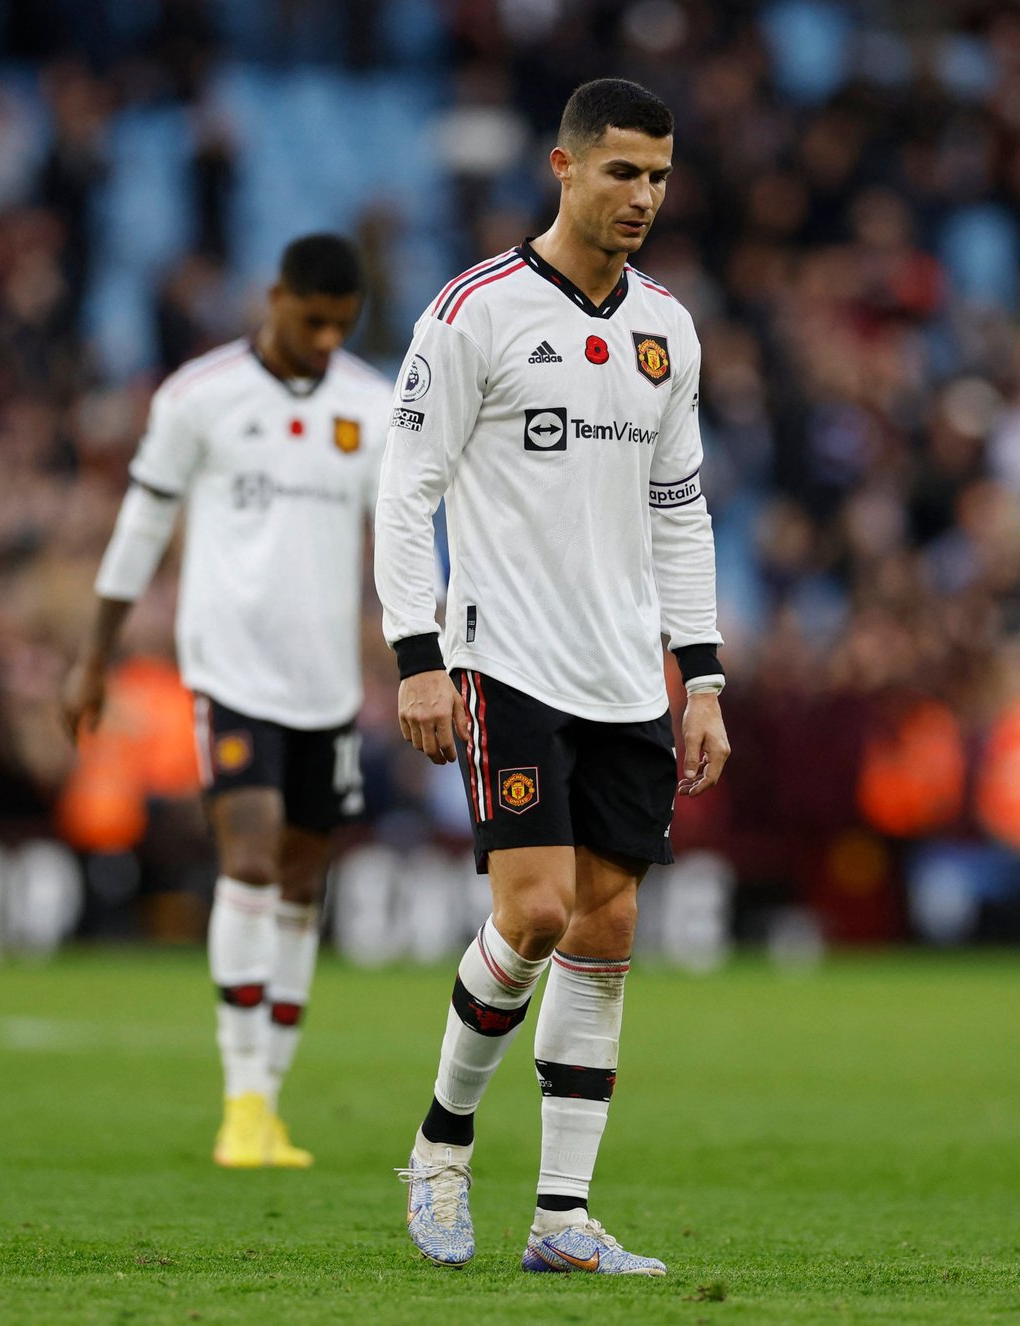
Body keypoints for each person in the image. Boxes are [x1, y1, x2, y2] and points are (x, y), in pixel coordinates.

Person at [373, 79, 730, 1276]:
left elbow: (678, 511)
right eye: (622, 171)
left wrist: (702, 678)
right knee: (532, 912)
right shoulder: (473, 311)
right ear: (563, 166)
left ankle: (563, 1218)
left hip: (625, 675)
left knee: (607, 929)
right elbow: (405, 490)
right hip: (504, 658)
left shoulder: (667, 329)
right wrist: (417, 656)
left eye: (660, 176)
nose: (644, 197)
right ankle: (441, 1144)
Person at [61, 233, 392, 1168]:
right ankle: (241, 1098)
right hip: (231, 673)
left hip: (326, 683)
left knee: (301, 882)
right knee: (248, 859)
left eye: (341, 326)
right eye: (312, 320)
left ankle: (270, 1098)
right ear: (274, 297)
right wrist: (95, 654)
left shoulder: (372, 406)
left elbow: (404, 537)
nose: (325, 341)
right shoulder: (198, 396)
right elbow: (143, 523)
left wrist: (425, 652)